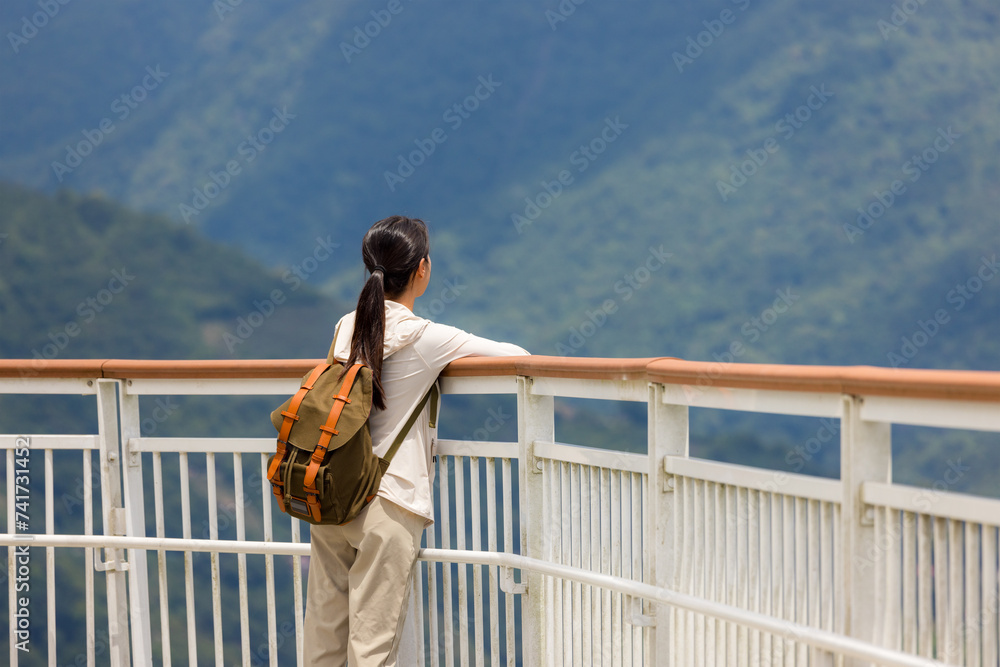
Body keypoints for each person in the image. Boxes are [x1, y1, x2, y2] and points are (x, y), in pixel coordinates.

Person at [303, 215, 528, 666]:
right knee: (373, 647)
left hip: (329, 493)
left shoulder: (346, 326)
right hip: (387, 504)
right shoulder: (428, 338)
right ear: (421, 269)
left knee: (324, 639)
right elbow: (520, 357)